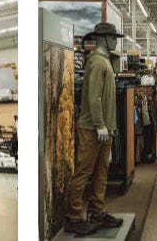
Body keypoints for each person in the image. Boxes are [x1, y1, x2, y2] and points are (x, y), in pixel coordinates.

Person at [64, 23, 123, 236]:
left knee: (101, 171)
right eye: (113, 37)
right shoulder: (97, 63)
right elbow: (94, 97)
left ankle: (97, 211)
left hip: (103, 129)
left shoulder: (104, 62)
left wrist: (109, 127)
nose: (116, 41)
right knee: (83, 172)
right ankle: (73, 217)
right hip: (92, 128)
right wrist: (99, 125)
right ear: (104, 38)